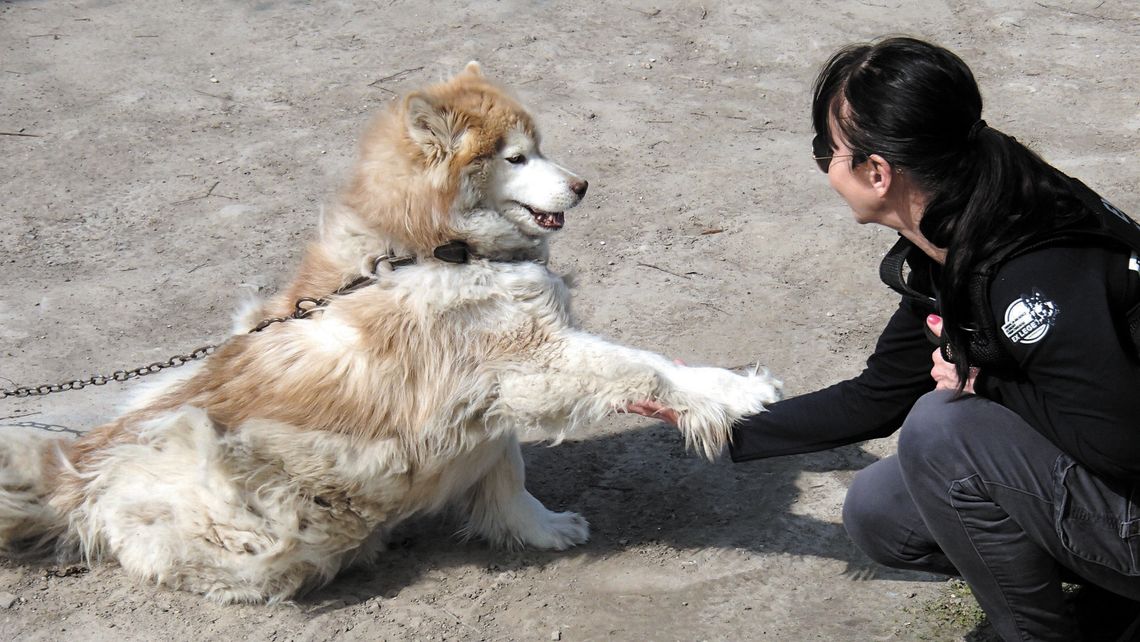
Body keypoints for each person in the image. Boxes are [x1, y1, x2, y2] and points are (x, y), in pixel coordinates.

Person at [627, 37, 1140, 641]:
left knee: (945, 430)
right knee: (884, 514)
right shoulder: (961, 222)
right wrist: (714, 418)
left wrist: (989, 384)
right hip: (1108, 481)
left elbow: (1121, 445)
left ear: (877, 171)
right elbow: (877, 396)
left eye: (828, 151)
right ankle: (1111, 597)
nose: (823, 167)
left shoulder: (1030, 273)